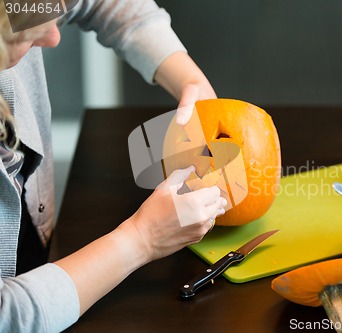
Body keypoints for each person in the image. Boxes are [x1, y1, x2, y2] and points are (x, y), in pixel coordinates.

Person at [0, 0, 227, 332]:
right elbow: (8, 316)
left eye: (53, 13)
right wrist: (141, 239)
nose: (53, 37)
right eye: (21, 33)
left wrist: (189, 78)